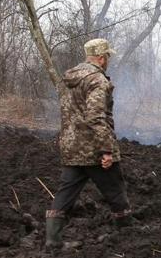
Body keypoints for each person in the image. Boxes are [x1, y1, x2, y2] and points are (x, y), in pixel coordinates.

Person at [45, 38, 135, 250]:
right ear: (102, 58)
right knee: (115, 190)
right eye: (108, 57)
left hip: (70, 147)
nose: (108, 61)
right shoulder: (97, 80)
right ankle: (129, 236)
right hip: (93, 148)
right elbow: (95, 116)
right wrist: (106, 150)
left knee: (65, 193)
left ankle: (52, 240)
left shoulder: (69, 79)